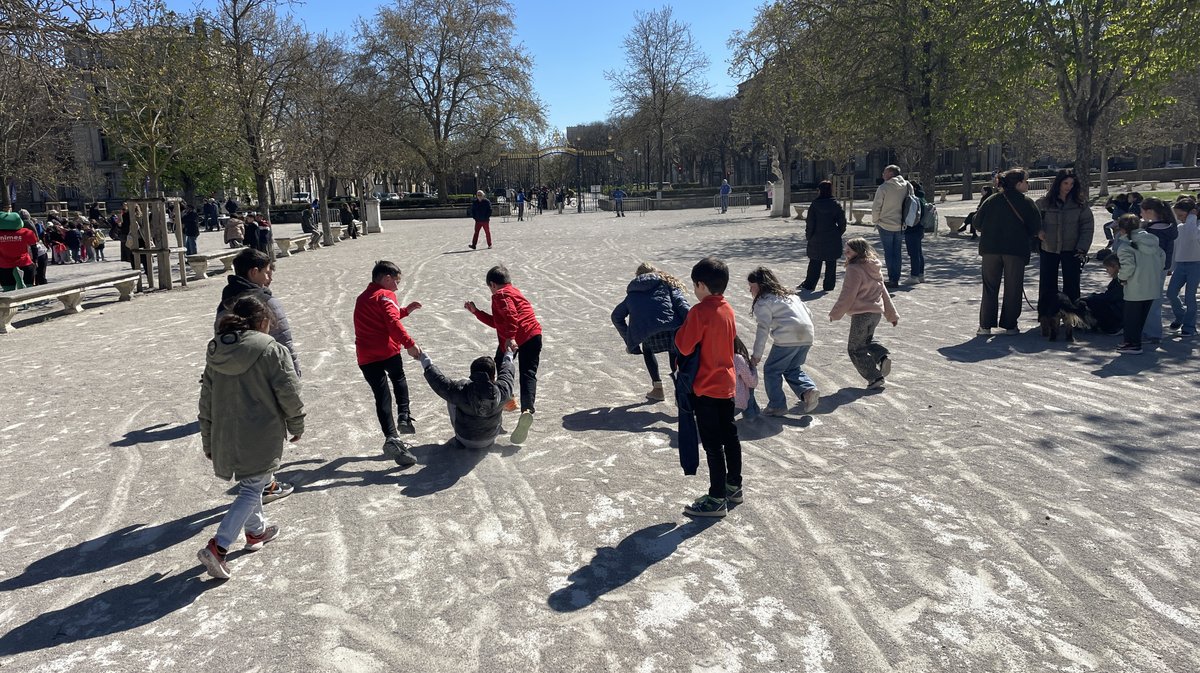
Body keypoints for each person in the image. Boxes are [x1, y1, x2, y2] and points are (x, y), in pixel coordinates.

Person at [196, 295, 304, 580]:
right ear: (263, 321)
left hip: (225, 432)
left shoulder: (216, 351)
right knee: (253, 487)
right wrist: (297, 423)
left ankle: (256, 532)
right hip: (261, 432)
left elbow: (206, 400)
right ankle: (219, 546)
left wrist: (208, 437)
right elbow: (288, 391)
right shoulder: (271, 349)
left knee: (251, 483)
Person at [674, 256, 740, 518]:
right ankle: (734, 485)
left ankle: (716, 497)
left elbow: (684, 346)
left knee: (713, 445)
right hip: (726, 383)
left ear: (701, 285)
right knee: (730, 437)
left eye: (694, 285)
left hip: (706, 386)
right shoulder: (728, 308)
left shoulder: (699, 311)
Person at [464, 265, 541, 444]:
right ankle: (527, 410)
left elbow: (511, 315)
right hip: (534, 334)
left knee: (499, 363)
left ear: (492, 284)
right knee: (528, 374)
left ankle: (508, 398)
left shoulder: (500, 294)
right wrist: (477, 312)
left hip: (515, 337)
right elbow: (498, 322)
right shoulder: (514, 291)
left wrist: (511, 337)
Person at [355, 261, 422, 465]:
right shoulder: (386, 295)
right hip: (387, 351)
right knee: (399, 378)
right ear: (386, 278)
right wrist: (410, 344)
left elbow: (386, 314)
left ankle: (392, 437)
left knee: (381, 396)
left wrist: (406, 310)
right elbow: (392, 321)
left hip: (366, 356)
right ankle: (404, 415)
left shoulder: (363, 297)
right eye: (396, 281)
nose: (397, 287)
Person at [215, 247, 301, 378]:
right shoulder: (267, 302)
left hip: (230, 377)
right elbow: (284, 341)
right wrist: (294, 374)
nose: (269, 279)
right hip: (265, 375)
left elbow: (221, 343)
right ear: (254, 272)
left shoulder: (224, 304)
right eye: (266, 273)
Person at [610, 262, 691, 402]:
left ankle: (657, 389)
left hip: (648, 333)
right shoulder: (667, 284)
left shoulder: (633, 294)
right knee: (674, 353)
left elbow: (616, 316)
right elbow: (681, 304)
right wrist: (692, 326)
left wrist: (630, 340)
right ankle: (680, 391)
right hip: (672, 328)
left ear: (637, 276)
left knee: (647, 348)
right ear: (656, 272)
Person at [974, 168, 1041, 336]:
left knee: (989, 288)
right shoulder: (1026, 202)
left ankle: (985, 326)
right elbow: (1035, 227)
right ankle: (1010, 325)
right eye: (1026, 181)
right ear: (1018, 184)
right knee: (1013, 288)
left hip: (990, 249)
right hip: (1015, 250)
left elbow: (977, 223)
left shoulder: (991, 200)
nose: (1028, 184)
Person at [411, 344, 516, 449]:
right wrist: (509, 354)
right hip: (491, 438)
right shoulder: (503, 388)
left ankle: (459, 438)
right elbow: (508, 371)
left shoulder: (461, 389)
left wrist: (424, 358)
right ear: (493, 375)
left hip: (465, 439)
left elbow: (438, 381)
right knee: (504, 398)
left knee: (451, 397)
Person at [746, 266, 819, 416]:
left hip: (787, 337)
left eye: (752, 286)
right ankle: (808, 390)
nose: (750, 290)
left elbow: (762, 329)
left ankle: (777, 405)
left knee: (771, 370)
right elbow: (809, 314)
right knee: (792, 368)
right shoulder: (791, 296)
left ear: (761, 286)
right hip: (807, 335)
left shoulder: (763, 301)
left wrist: (757, 355)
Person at [828, 237, 899, 389]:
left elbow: (848, 294)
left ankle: (874, 377)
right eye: (845, 250)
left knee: (855, 349)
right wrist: (891, 315)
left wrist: (835, 313)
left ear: (858, 251)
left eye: (849, 251)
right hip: (876, 314)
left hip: (861, 314)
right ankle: (882, 357)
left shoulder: (854, 268)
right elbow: (883, 292)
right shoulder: (874, 267)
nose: (846, 253)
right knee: (866, 341)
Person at [1035, 170, 1094, 333]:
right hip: (1049, 248)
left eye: (1072, 184)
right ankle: (1046, 316)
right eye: (1065, 183)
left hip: (1072, 249)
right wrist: (1038, 231)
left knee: (1072, 284)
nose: (1068, 187)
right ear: (1058, 183)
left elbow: (1087, 227)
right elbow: (1033, 221)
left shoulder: (1080, 204)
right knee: (1047, 284)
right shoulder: (1044, 203)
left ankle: (1073, 318)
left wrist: (1082, 248)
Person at [1115, 214, 1166, 354]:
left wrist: (1121, 278)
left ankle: (1132, 344)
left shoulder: (1126, 246)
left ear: (1122, 230)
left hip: (1135, 287)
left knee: (1131, 318)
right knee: (1142, 317)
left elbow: (1128, 267)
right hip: (1152, 285)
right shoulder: (1153, 241)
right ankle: (1135, 342)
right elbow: (1162, 258)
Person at [1139, 197, 1178, 344]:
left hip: (1151, 269)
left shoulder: (1152, 231)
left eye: (1142, 211)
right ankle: (1151, 331)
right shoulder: (1169, 227)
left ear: (1149, 212)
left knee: (1151, 302)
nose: (1140, 214)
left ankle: (1152, 333)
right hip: (1162, 268)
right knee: (1154, 300)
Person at [870, 164, 912, 288]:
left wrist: (875, 220)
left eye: (885, 172)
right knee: (897, 252)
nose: (883, 174)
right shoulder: (907, 186)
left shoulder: (883, 187)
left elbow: (876, 206)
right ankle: (896, 278)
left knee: (889, 253)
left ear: (891, 174)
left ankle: (892, 278)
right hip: (900, 224)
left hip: (885, 223)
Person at [800, 180, 847, 292]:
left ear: (819, 190)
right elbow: (842, 222)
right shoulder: (835, 204)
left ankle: (810, 284)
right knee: (831, 263)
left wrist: (809, 236)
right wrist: (837, 233)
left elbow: (810, 223)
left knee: (815, 262)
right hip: (832, 237)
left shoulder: (815, 205)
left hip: (816, 236)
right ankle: (829, 286)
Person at [1167, 198, 1199, 336]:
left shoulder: (1196, 227)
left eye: (1181, 215)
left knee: (1190, 297)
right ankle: (1181, 316)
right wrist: (1171, 266)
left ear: (1192, 213)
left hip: (1196, 264)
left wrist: (1192, 217)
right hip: (1180, 264)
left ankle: (1189, 327)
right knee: (1171, 293)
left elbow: (1193, 236)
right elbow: (1175, 248)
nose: (1179, 218)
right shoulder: (1179, 228)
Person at [1083, 255, 1124, 335]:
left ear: (1115, 267)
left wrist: (1092, 298)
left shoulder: (1120, 282)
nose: (1107, 271)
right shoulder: (1116, 280)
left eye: (1107, 269)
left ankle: (1113, 327)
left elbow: (1110, 297)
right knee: (1093, 301)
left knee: (1095, 303)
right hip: (1117, 307)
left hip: (1118, 311)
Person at [0, 208, 37, 291]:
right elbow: (34, 247)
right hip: (25, 263)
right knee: (29, 289)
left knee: (8, 290)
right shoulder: (27, 232)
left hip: (4, 265)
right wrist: (35, 260)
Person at [903, 182, 931, 284]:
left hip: (912, 229)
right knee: (919, 253)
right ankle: (920, 274)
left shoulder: (913, 200)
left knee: (913, 254)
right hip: (920, 228)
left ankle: (914, 276)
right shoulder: (922, 199)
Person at [732, 335, 759, 420]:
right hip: (734, 406)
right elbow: (752, 383)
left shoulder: (709, 356)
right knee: (748, 384)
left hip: (709, 405)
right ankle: (751, 415)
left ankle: (754, 412)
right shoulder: (737, 358)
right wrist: (753, 366)